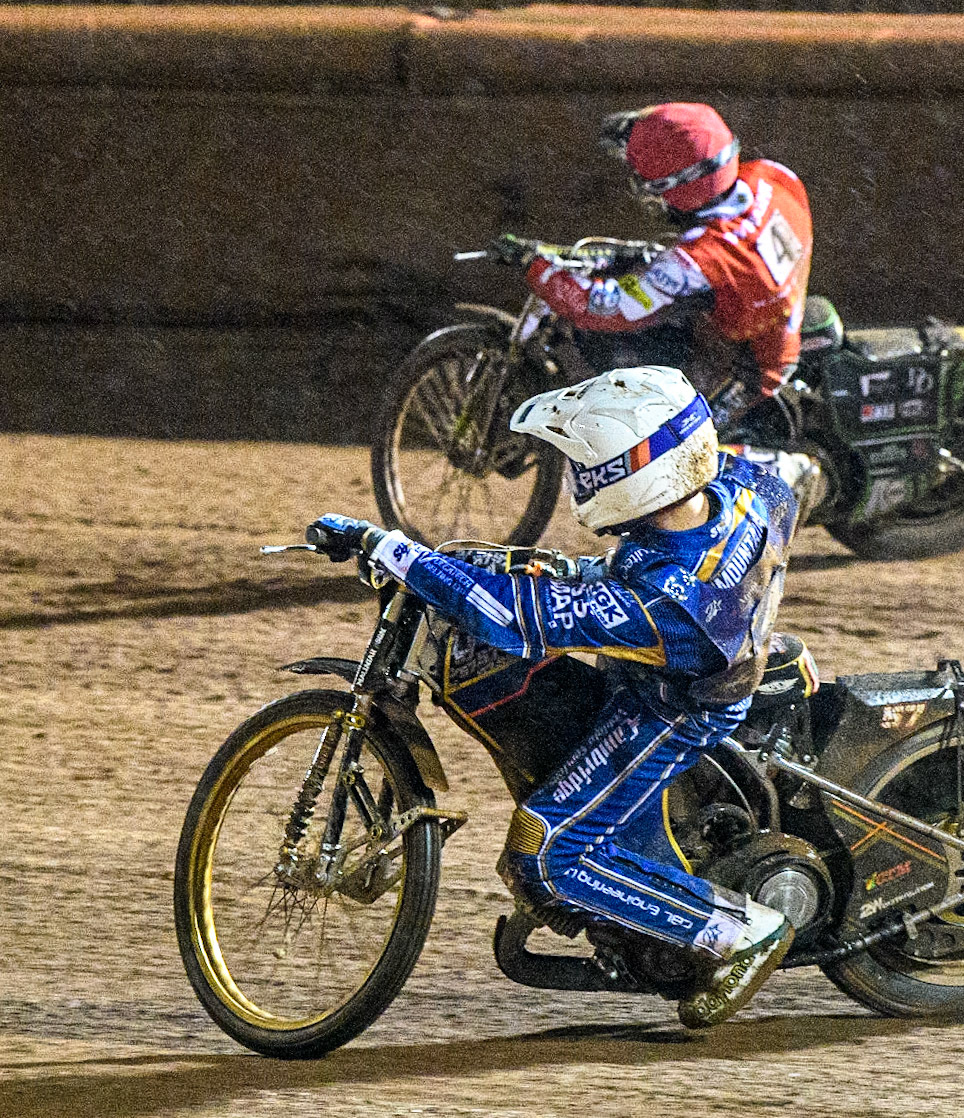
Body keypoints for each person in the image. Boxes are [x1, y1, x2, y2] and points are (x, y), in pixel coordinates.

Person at [311, 365, 799, 1029]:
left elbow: (510, 616)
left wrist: (392, 549)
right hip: (707, 646)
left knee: (542, 852)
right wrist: (575, 572)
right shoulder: (744, 484)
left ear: (638, 471)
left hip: (672, 709)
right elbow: (772, 494)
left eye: (587, 465)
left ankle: (735, 931)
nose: (577, 477)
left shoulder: (668, 602)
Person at [489, 102, 814, 432]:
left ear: (683, 185)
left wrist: (535, 266)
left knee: (655, 444)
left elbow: (603, 307)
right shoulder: (772, 176)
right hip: (753, 323)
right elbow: (698, 139)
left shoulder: (700, 259)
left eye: (652, 184)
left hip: (748, 371)